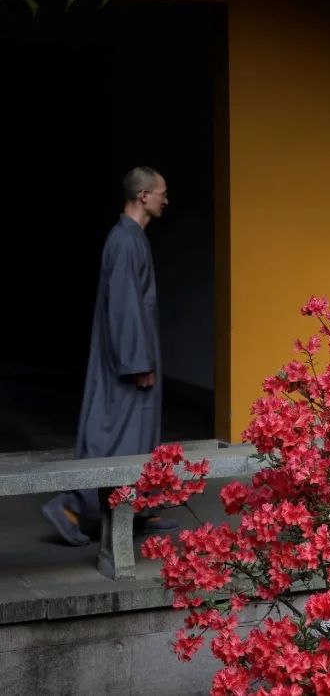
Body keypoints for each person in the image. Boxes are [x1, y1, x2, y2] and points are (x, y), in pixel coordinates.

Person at [42, 166, 177, 545]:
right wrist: (137, 362)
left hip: (136, 355)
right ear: (142, 196)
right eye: (161, 192)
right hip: (127, 360)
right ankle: (69, 506)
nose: (166, 200)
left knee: (136, 434)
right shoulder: (124, 241)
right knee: (113, 434)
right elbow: (125, 306)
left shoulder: (133, 238)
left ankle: (135, 509)